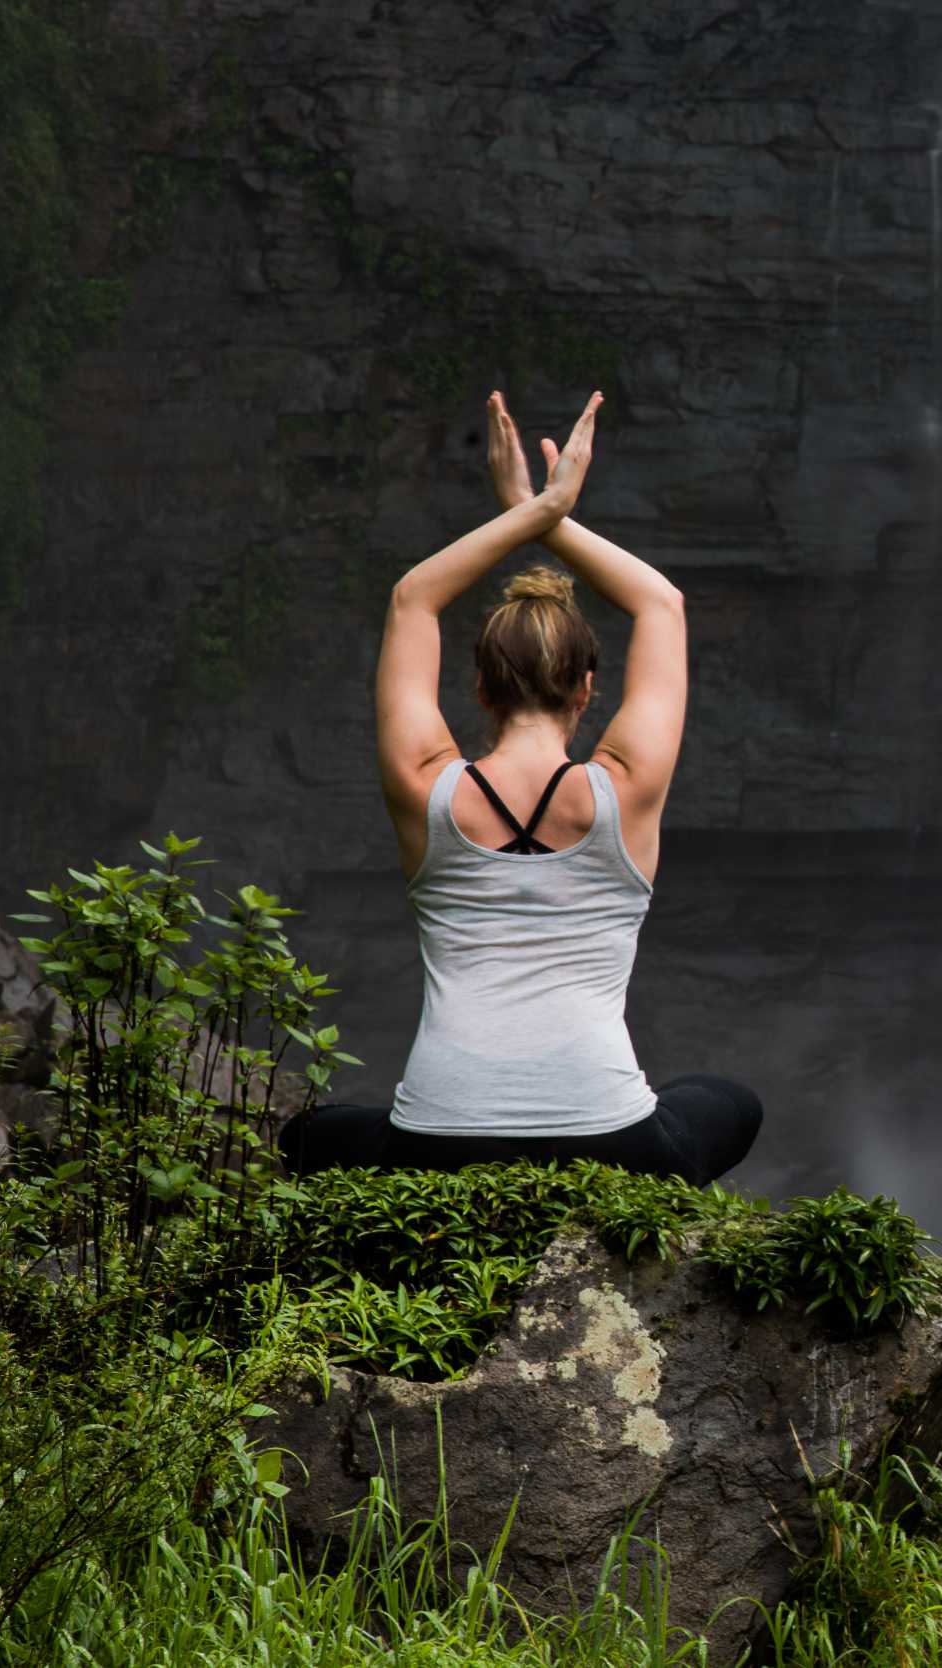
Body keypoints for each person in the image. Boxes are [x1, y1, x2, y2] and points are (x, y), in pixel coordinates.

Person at [280, 390, 760, 1186]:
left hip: (439, 1140)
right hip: (610, 1141)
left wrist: (526, 514)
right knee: (726, 1101)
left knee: (309, 1136)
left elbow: (413, 598)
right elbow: (660, 603)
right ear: (586, 690)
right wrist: (550, 513)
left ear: (477, 688)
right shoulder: (626, 790)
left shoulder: (426, 787)